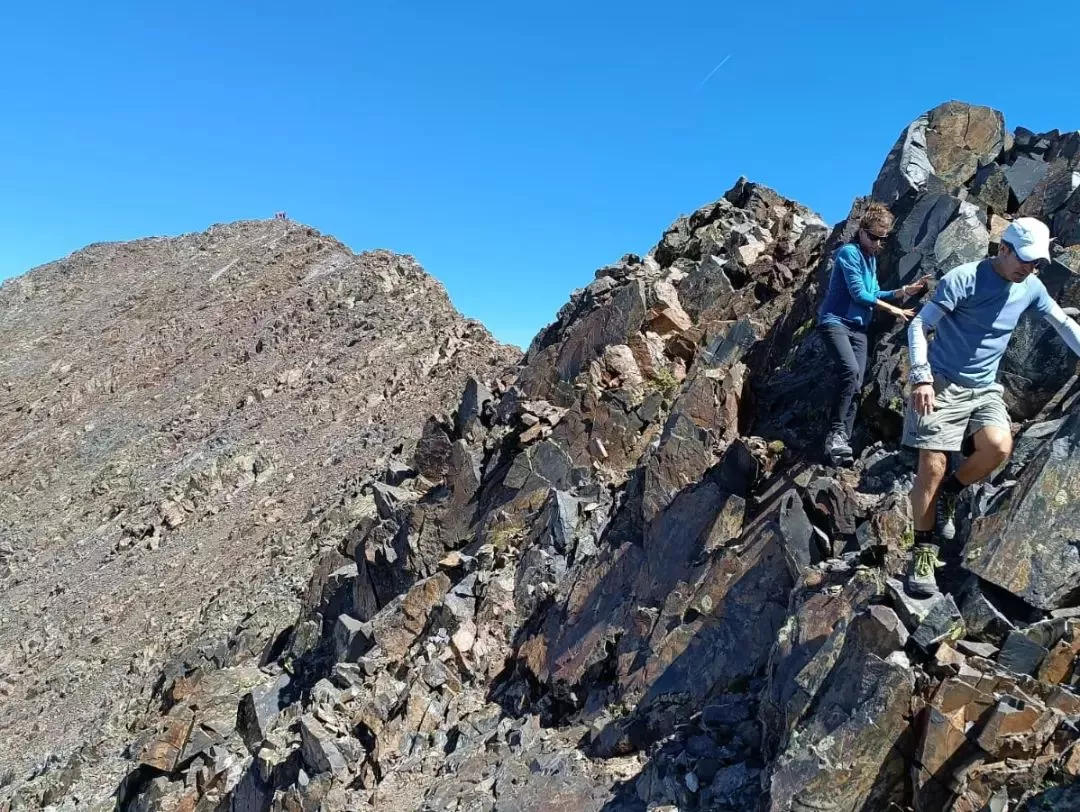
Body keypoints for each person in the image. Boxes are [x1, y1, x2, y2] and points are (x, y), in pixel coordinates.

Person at [903, 217, 1080, 597]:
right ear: (1003, 249)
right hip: (942, 383)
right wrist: (921, 375)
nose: (1031, 268)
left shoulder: (1031, 287)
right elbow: (919, 326)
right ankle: (923, 550)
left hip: (985, 388)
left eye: (1037, 263)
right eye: (1025, 260)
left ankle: (953, 491)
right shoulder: (963, 279)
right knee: (931, 467)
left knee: (998, 447)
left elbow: (1063, 323)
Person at [817, 203, 929, 461]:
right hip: (836, 322)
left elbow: (875, 292)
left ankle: (841, 442)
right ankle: (835, 434)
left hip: (858, 328)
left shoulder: (870, 260)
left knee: (857, 383)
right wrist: (893, 310)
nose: (879, 244)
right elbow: (859, 294)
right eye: (874, 238)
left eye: (883, 239)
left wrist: (904, 291)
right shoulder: (849, 253)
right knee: (850, 371)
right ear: (862, 231)